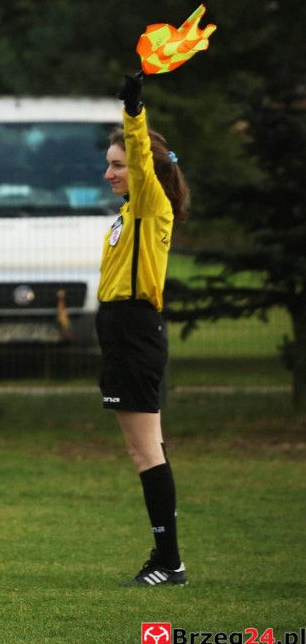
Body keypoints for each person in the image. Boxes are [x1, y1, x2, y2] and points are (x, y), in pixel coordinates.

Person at [99, 73, 190, 586]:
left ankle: (169, 561)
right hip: (122, 332)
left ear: (142, 170)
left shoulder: (151, 205)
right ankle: (167, 557)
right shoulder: (129, 213)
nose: (108, 172)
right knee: (147, 448)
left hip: (134, 331)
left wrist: (133, 107)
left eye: (118, 165)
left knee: (144, 451)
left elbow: (138, 144)